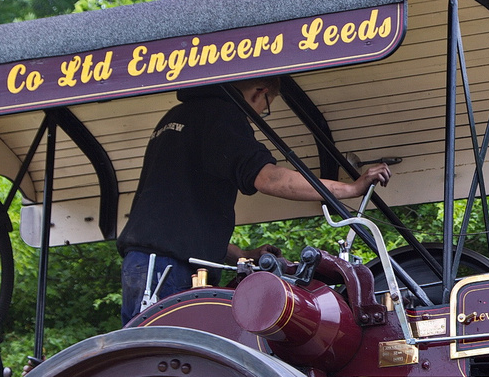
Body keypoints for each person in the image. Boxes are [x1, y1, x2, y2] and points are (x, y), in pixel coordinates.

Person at [117, 75, 389, 324]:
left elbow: (181, 221)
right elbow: (269, 179)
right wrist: (350, 189)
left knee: (148, 355)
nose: (261, 114)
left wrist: (243, 255)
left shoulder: (177, 116)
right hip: (167, 269)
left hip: (149, 263)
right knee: (168, 356)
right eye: (267, 106)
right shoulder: (221, 116)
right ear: (260, 92)